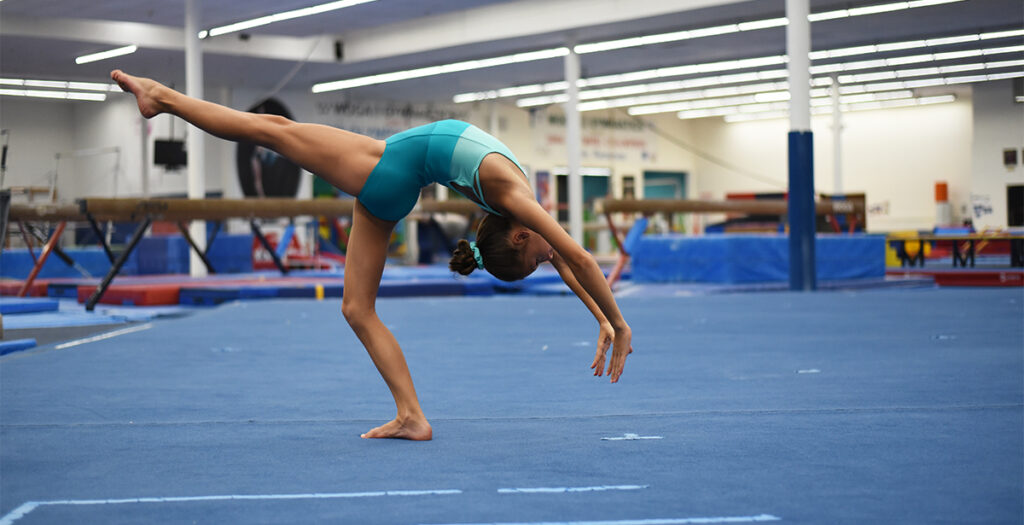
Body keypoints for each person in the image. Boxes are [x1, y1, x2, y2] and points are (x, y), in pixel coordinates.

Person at [111, 70, 633, 441]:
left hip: (387, 167)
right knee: (356, 308)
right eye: (541, 259)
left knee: (273, 130)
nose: (551, 255)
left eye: (538, 259)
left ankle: (163, 97)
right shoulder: (516, 202)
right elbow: (573, 262)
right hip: (393, 184)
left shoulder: (516, 203)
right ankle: (411, 416)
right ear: (520, 236)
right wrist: (605, 319)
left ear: (517, 237)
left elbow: (576, 261)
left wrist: (614, 321)